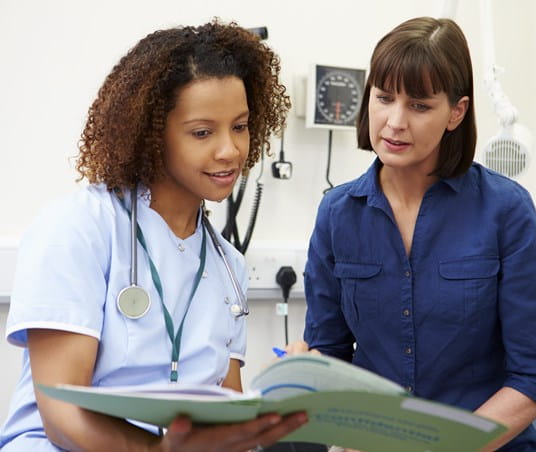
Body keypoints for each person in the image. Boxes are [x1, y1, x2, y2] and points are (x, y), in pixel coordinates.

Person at [0, 19, 307, 451]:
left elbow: (226, 414)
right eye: (202, 132)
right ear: (150, 133)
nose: (230, 150)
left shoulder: (228, 267)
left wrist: (287, 401)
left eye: (239, 126)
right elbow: (61, 414)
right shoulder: (79, 228)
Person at [301, 16, 536, 451]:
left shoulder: (506, 210)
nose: (394, 121)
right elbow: (327, 353)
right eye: (384, 98)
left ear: (456, 112)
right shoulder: (338, 214)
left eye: (420, 106)